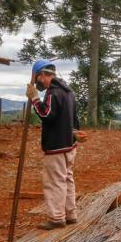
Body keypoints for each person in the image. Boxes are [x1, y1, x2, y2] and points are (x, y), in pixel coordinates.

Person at [27, 60, 80, 230]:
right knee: (67, 178)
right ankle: (70, 214)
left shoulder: (53, 92)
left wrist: (35, 98)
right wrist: (75, 133)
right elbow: (75, 119)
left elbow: (46, 114)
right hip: (70, 144)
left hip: (56, 146)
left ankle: (57, 218)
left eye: (38, 78)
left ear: (43, 75)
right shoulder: (69, 92)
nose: (38, 82)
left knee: (55, 182)